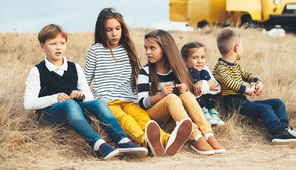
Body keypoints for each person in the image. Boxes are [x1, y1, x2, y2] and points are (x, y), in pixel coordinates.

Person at [24, 24, 148, 160]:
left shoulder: (74, 67)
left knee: (99, 102)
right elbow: (28, 104)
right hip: (50, 115)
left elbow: (89, 97)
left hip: (75, 111)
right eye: (53, 44)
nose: (58, 47)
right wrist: (55, 98)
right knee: (69, 104)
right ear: (42, 46)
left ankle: (122, 141)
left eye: (62, 43)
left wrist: (80, 96)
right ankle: (99, 145)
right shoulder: (37, 71)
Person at [84, 8, 191, 157]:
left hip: (129, 99)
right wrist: (86, 103)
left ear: (122, 29)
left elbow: (134, 78)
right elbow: (85, 80)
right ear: (102, 31)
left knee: (143, 118)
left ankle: (167, 140)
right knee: (126, 120)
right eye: (109, 30)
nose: (114, 33)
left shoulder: (127, 49)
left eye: (117, 28)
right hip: (108, 101)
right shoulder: (95, 51)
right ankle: (146, 142)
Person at [213, 27, 296, 145]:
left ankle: (284, 128)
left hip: (241, 101)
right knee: (263, 108)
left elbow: (246, 74)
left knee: (277, 102)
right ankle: (277, 132)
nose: (243, 49)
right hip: (231, 104)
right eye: (242, 46)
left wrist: (257, 81)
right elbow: (229, 82)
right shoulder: (220, 67)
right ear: (237, 47)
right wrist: (247, 90)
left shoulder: (235, 66)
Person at [138, 29, 225, 155]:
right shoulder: (145, 71)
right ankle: (195, 137)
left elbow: (189, 96)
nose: (148, 52)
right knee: (171, 98)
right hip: (154, 114)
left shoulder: (176, 69)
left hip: (174, 114)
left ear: (165, 49)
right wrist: (161, 95)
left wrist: (184, 89)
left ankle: (208, 134)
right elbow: (142, 102)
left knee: (187, 95)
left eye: (152, 48)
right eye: (146, 48)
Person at [180, 41, 224, 126]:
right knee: (194, 72)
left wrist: (203, 83)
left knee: (203, 73)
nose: (200, 61)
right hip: (194, 106)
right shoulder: (184, 72)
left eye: (202, 57)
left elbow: (218, 88)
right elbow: (193, 94)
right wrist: (207, 86)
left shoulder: (204, 69)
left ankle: (212, 113)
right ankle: (204, 113)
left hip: (209, 103)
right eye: (195, 58)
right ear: (185, 60)